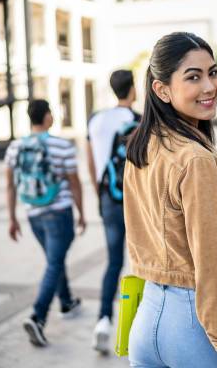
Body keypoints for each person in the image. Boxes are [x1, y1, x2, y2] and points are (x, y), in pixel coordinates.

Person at [124, 32, 217, 368]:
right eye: (193, 77)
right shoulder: (194, 160)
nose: (210, 86)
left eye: (212, 72)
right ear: (162, 89)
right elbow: (215, 272)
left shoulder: (143, 145)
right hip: (193, 327)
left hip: (147, 318)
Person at [4, 99, 86, 347]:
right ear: (48, 117)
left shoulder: (15, 147)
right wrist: (81, 213)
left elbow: (10, 184)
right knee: (54, 262)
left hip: (33, 214)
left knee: (54, 259)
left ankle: (67, 301)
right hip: (58, 213)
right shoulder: (61, 145)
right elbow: (74, 183)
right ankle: (38, 317)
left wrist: (12, 218)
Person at [86, 69, 140, 354]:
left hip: (108, 196)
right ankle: (134, 328)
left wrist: (100, 194)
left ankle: (103, 321)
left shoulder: (95, 119)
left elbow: (91, 162)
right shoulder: (137, 120)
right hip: (135, 201)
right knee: (141, 263)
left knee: (113, 262)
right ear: (132, 90)